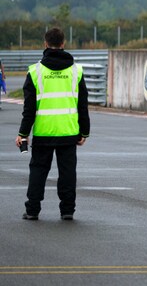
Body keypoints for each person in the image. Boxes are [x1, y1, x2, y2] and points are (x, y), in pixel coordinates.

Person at [15, 27, 90, 221]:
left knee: (38, 171)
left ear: (45, 44)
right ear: (63, 44)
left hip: (44, 132)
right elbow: (82, 105)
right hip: (68, 131)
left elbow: (29, 109)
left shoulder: (35, 72)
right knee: (67, 173)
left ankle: (32, 210)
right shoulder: (76, 71)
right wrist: (85, 131)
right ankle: (67, 210)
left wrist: (23, 133)